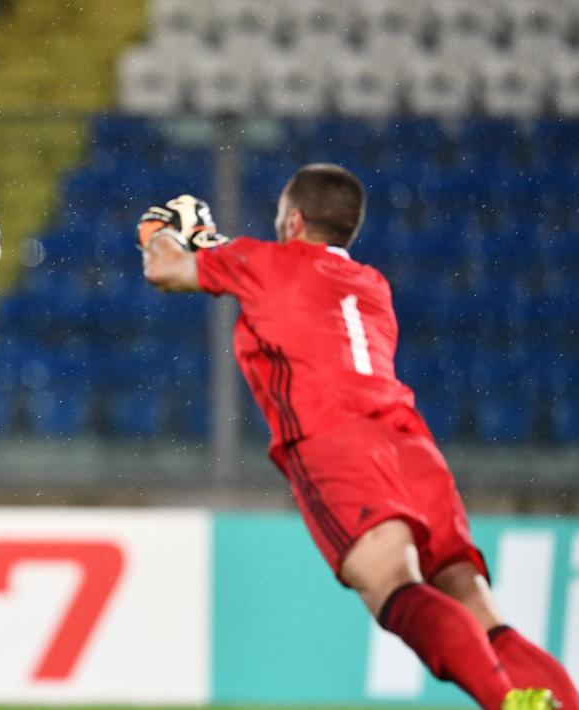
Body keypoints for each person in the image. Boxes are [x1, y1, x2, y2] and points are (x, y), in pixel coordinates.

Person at [138, 164, 578, 710]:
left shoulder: (265, 261)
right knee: (476, 604)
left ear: (293, 220)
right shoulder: (370, 285)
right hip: (409, 442)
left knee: (392, 583)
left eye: (279, 217)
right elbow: (280, 282)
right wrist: (215, 246)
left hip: (336, 441)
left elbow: (167, 270)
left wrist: (157, 230)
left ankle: (504, 703)